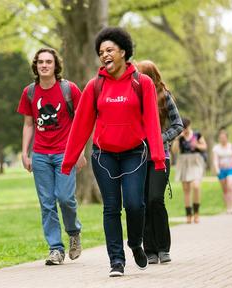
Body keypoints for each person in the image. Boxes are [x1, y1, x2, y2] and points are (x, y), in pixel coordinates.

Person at [61, 27, 165, 277]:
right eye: (100, 52)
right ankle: (116, 261)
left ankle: (135, 244)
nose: (104, 55)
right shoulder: (94, 86)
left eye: (109, 50)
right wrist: (69, 160)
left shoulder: (143, 83)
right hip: (104, 156)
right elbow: (81, 125)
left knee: (135, 204)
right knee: (110, 208)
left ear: (123, 52)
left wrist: (158, 157)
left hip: (134, 154)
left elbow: (152, 120)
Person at [17, 47, 85, 265]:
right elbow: (28, 124)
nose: (44, 65)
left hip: (65, 153)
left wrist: (80, 151)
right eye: (40, 62)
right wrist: (24, 153)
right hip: (40, 155)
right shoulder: (29, 92)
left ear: (56, 66)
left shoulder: (69, 89)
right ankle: (55, 248)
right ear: (36, 66)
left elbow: (82, 122)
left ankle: (74, 232)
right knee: (47, 203)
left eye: (48, 62)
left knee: (65, 198)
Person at [136, 60, 183, 265]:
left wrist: (160, 138)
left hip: (159, 157)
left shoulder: (165, 96)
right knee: (142, 203)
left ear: (150, 77)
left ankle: (164, 248)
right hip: (137, 158)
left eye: (140, 74)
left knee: (155, 199)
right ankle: (150, 250)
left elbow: (178, 125)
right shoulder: (135, 97)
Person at [173, 118, 207, 224]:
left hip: (195, 161)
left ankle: (196, 212)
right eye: (183, 128)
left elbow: (204, 146)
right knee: (186, 190)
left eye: (186, 128)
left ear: (190, 125)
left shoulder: (197, 135)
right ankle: (189, 214)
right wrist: (178, 138)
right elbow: (174, 151)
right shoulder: (180, 137)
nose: (185, 130)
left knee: (196, 186)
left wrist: (196, 145)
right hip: (184, 162)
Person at [212, 128, 232, 214]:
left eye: (224, 137)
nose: (222, 139)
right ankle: (227, 207)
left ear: (227, 138)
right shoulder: (216, 148)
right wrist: (216, 169)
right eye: (221, 137)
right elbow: (215, 160)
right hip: (221, 170)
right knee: (225, 190)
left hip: (231, 169)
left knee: (230, 186)